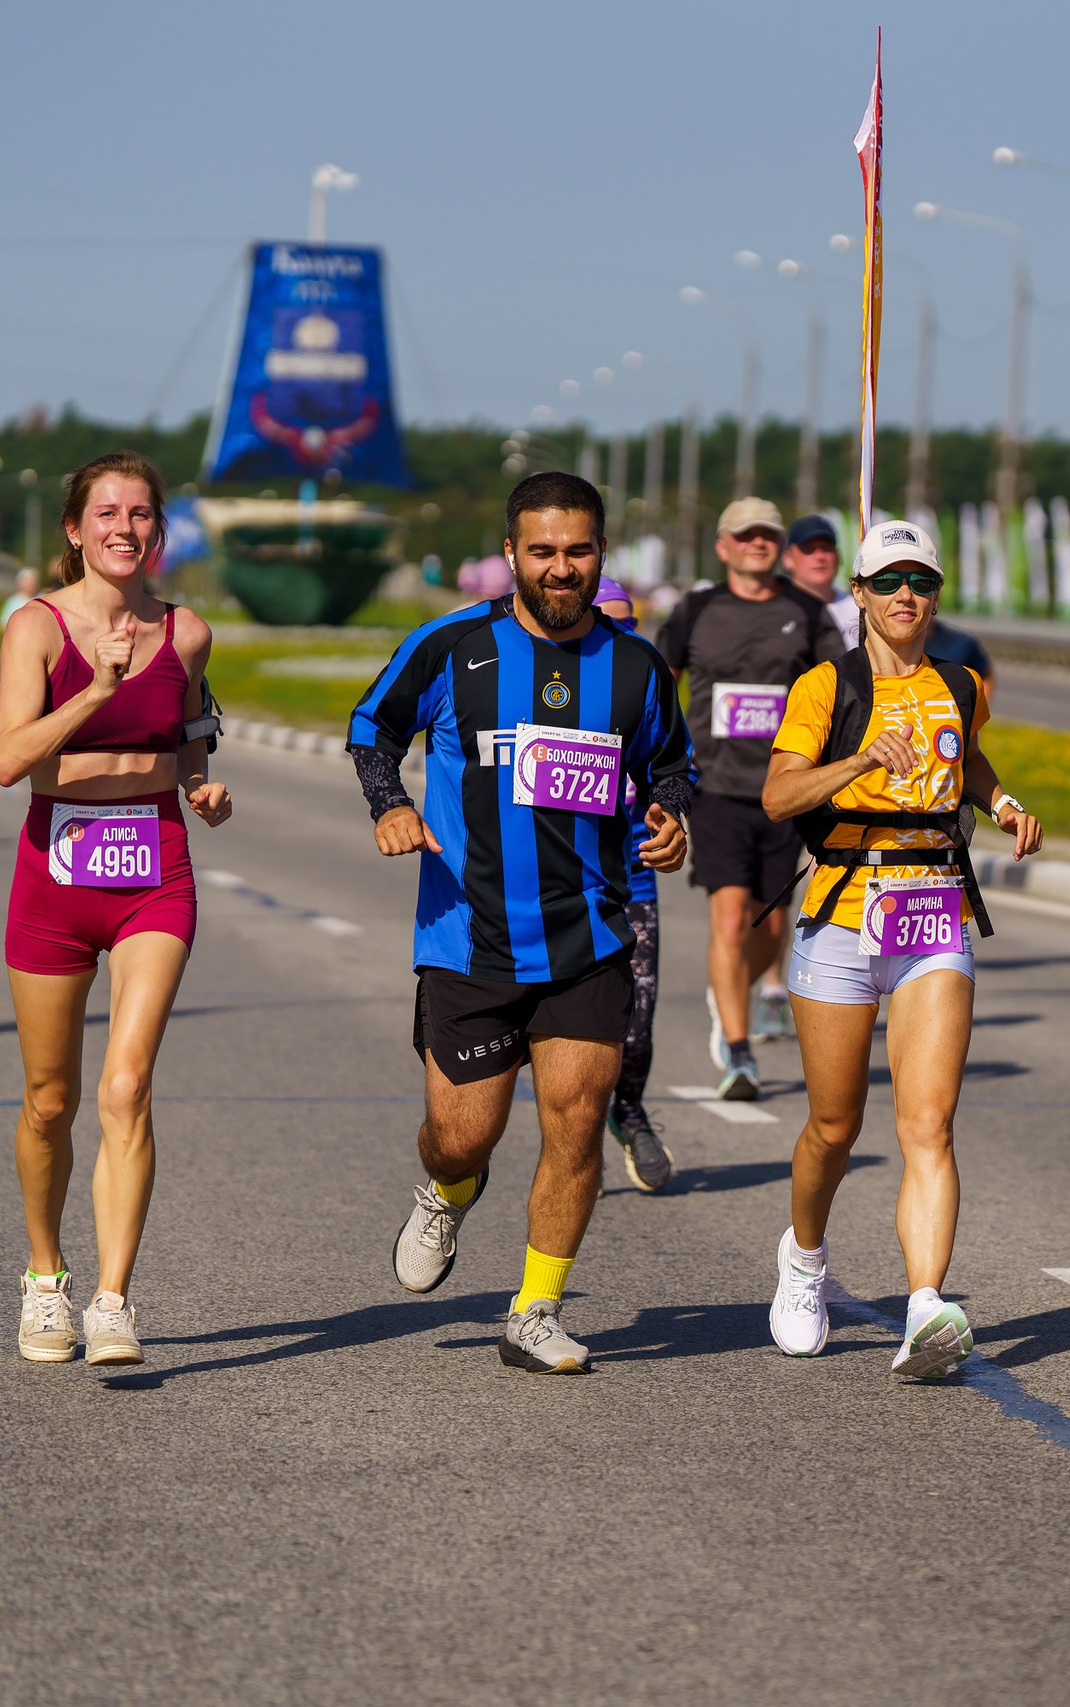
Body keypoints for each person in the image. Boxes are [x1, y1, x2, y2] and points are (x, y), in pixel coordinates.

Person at [352, 472, 693, 1375]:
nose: (560, 568)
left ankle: (535, 1311)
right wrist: (389, 803)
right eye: (542, 551)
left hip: (591, 936)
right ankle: (449, 1188)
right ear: (510, 553)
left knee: (576, 1124)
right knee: (463, 1133)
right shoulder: (451, 647)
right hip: (469, 936)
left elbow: (671, 766)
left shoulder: (636, 668)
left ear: (601, 554)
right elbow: (373, 727)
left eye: (578, 551)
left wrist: (671, 819)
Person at [760, 518, 1042, 1377]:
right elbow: (779, 796)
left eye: (920, 581)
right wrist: (855, 762)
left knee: (929, 1123)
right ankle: (804, 1259)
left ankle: (924, 1305)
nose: (905, 595)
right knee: (834, 1126)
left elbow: (970, 758)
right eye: (887, 581)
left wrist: (1002, 803)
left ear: (936, 594)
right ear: (859, 594)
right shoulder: (826, 685)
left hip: (932, 911)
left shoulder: (960, 682)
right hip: (844, 913)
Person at [0, 452, 232, 1368]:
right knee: (49, 1101)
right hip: (53, 877)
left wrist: (202, 787)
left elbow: (191, 732)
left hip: (153, 871)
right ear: (75, 529)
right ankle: (45, 1277)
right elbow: (7, 760)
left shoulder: (188, 632)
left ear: (157, 529)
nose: (124, 528)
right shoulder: (36, 627)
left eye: (139, 514)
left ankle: (113, 1299)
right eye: (106, 513)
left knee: (126, 1087)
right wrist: (96, 688)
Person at [656, 497, 847, 1097]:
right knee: (731, 913)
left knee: (770, 921)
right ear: (723, 547)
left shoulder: (807, 612)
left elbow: (842, 692)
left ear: (779, 546)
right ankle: (739, 1052)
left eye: (767, 534)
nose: (756, 543)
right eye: (744, 535)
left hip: (785, 792)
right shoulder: (697, 610)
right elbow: (658, 686)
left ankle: (732, 990)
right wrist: (658, 760)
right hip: (714, 786)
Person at [589, 571, 674, 1192]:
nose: (622, 634)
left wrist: (672, 806)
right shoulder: (553, 686)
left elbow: (676, 768)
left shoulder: (647, 685)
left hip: (634, 881)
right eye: (609, 622)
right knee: (565, 1032)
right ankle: (575, 1138)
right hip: (563, 884)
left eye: (630, 623)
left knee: (636, 1024)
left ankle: (629, 1110)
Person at [781, 513, 858, 651]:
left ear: (838, 556)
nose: (820, 556)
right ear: (787, 558)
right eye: (809, 549)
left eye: (826, 548)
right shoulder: (774, 611)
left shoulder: (859, 610)